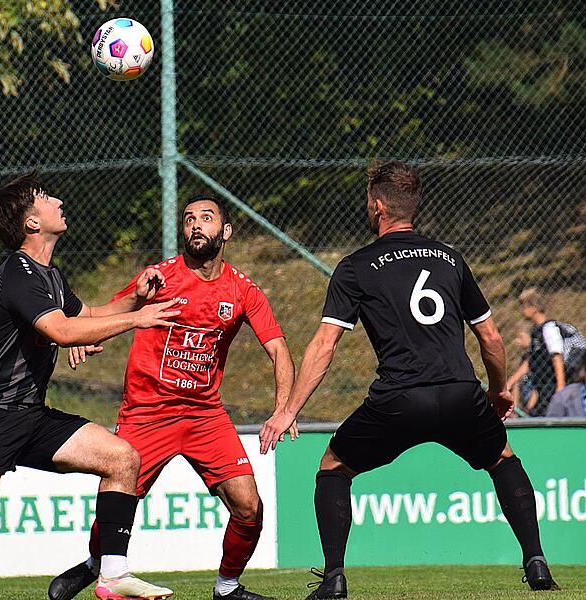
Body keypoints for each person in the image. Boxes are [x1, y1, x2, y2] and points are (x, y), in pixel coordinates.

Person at [259, 161, 557, 598]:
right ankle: (536, 560)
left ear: (378, 206)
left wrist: (288, 411)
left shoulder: (356, 266)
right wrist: (498, 390)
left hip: (400, 398)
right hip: (459, 392)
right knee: (503, 459)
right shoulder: (449, 258)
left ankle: (335, 578)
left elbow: (325, 345)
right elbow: (490, 337)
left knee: (333, 466)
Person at [0, 172, 181, 600]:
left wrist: (136, 297)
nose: (58, 201)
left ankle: (114, 574)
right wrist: (138, 320)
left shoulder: (51, 276)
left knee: (122, 458)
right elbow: (64, 331)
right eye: (46, 198)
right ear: (32, 223)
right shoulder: (17, 272)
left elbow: (89, 316)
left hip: (30, 414)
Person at [49, 195, 297, 600]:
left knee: (249, 507)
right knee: (118, 495)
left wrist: (284, 409)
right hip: (147, 412)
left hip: (205, 415)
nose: (196, 225)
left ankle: (227, 588)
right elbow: (113, 312)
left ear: (226, 232)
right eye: (189, 220)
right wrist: (83, 338)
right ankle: (99, 563)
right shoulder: (159, 277)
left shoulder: (242, 290)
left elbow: (279, 349)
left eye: (206, 218)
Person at [511, 288, 567, 416]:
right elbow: (530, 361)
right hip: (541, 388)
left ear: (535, 307)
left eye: (523, 307)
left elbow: (556, 356)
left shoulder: (549, 328)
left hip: (552, 388)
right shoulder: (535, 332)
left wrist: (560, 387)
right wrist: (509, 383)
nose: (521, 311)